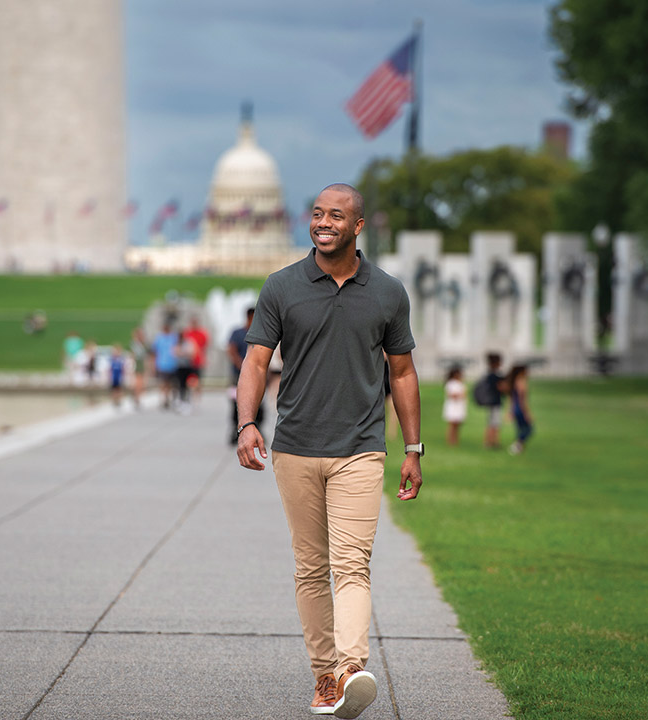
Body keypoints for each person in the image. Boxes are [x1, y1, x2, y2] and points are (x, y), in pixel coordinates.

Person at [236, 183, 422, 719]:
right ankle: (324, 676)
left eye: (336, 215)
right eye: (317, 213)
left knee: (352, 563)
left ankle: (348, 668)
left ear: (357, 226)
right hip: (295, 446)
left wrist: (413, 446)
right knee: (311, 568)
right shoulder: (282, 286)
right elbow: (255, 362)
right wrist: (248, 423)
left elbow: (403, 372)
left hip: (360, 448)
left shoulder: (387, 292)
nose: (324, 222)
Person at [227, 307, 264, 444]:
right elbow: (231, 350)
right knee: (236, 404)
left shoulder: (261, 332)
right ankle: (235, 430)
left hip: (256, 376)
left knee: (259, 404)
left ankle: (257, 428)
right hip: (237, 376)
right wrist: (243, 366)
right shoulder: (237, 333)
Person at [478, 352, 505, 449]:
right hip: (494, 402)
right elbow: (501, 388)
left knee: (492, 422)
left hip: (491, 402)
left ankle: (491, 441)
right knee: (494, 423)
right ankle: (491, 442)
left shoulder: (489, 374)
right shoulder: (494, 376)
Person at [181, 315, 209, 401]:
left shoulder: (202, 333)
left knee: (197, 380)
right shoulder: (187, 333)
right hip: (189, 361)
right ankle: (189, 396)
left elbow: (204, 346)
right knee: (189, 380)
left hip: (198, 361)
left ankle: (197, 396)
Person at [508, 364, 533, 454]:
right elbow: (523, 400)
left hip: (515, 408)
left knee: (520, 428)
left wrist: (510, 411)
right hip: (520, 409)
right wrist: (527, 413)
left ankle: (519, 447)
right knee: (529, 429)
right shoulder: (521, 382)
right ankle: (517, 445)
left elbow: (511, 399)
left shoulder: (514, 382)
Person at [152, 323, 179, 410]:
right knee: (163, 383)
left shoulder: (174, 338)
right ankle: (164, 398)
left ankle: (170, 397)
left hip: (172, 364)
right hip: (162, 364)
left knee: (172, 383)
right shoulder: (159, 338)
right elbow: (155, 351)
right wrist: (154, 364)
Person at [442, 365, 467, 446]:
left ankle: (455, 440)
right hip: (453, 406)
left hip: (459, 405)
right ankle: (450, 440)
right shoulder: (451, 383)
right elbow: (451, 395)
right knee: (452, 425)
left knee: (457, 425)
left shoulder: (460, 383)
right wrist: (460, 395)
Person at [130, 327, 150, 408]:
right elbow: (134, 355)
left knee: (141, 383)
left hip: (141, 363)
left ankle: (137, 397)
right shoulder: (135, 344)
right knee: (138, 382)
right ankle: (136, 398)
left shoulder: (141, 344)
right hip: (137, 363)